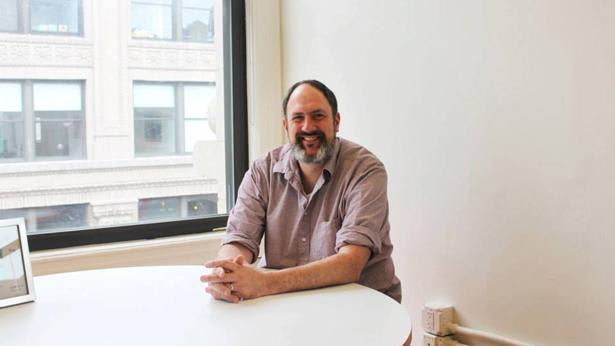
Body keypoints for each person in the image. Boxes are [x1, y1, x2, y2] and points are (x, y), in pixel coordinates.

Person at [200, 79, 401, 303]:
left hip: (363, 304)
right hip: (286, 301)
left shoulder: (365, 171)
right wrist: (226, 273)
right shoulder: (262, 171)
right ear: (286, 125)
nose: (308, 127)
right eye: (298, 118)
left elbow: (350, 264)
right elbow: (239, 239)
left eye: (318, 116)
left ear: (336, 121)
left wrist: (264, 282)